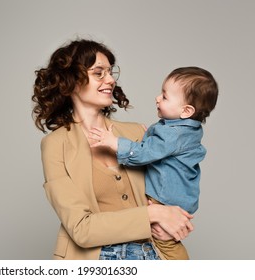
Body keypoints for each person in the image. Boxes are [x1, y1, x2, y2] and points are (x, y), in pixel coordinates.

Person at [31, 38, 194, 260]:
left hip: (153, 254)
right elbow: (81, 229)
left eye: (110, 72)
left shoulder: (138, 133)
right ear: (72, 82)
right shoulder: (55, 145)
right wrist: (152, 214)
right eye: (99, 73)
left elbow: (176, 189)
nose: (110, 80)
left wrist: (167, 217)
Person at [88, 66, 219, 259]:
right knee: (164, 241)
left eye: (165, 97)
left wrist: (114, 142)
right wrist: (149, 134)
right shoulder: (184, 129)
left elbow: (144, 153)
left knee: (164, 240)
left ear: (186, 110)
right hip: (181, 197)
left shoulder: (172, 134)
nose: (158, 98)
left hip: (166, 199)